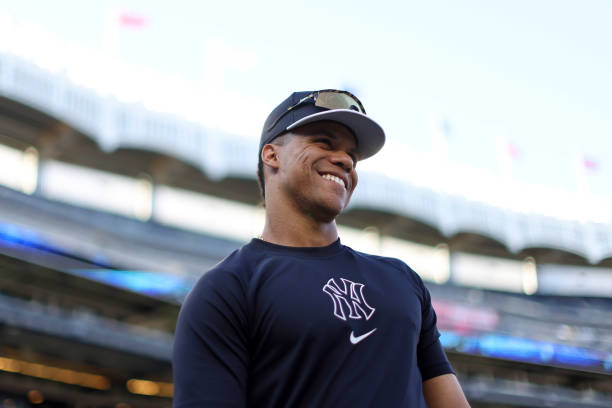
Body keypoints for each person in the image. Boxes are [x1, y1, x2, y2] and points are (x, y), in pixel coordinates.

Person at [172, 89, 470, 407]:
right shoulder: (227, 289)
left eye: (352, 156)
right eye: (324, 142)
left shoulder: (402, 280)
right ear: (272, 155)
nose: (345, 161)